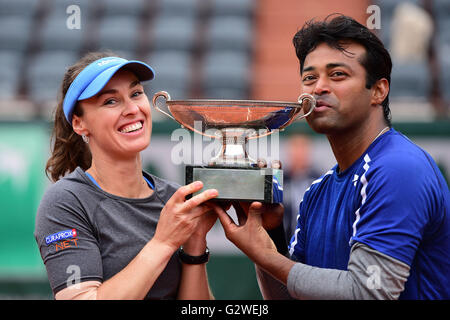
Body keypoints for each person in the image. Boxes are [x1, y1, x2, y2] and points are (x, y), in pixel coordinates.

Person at [214, 15, 450, 300]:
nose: (318, 87)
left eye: (337, 74)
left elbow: (369, 291)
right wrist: (270, 235)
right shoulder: (317, 192)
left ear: (378, 90)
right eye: (309, 78)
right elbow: (292, 296)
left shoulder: (400, 168)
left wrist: (265, 255)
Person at [34, 52, 221, 300]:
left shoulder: (172, 198)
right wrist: (163, 243)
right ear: (80, 124)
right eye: (111, 101)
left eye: (136, 94)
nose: (133, 109)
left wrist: (194, 246)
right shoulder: (66, 201)